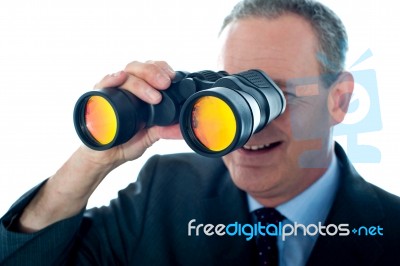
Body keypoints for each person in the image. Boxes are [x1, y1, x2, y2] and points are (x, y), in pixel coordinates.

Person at [1, 0, 400, 265]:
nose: (245, 130)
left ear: (340, 100)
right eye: (232, 94)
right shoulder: (164, 191)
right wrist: (95, 158)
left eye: (276, 95)